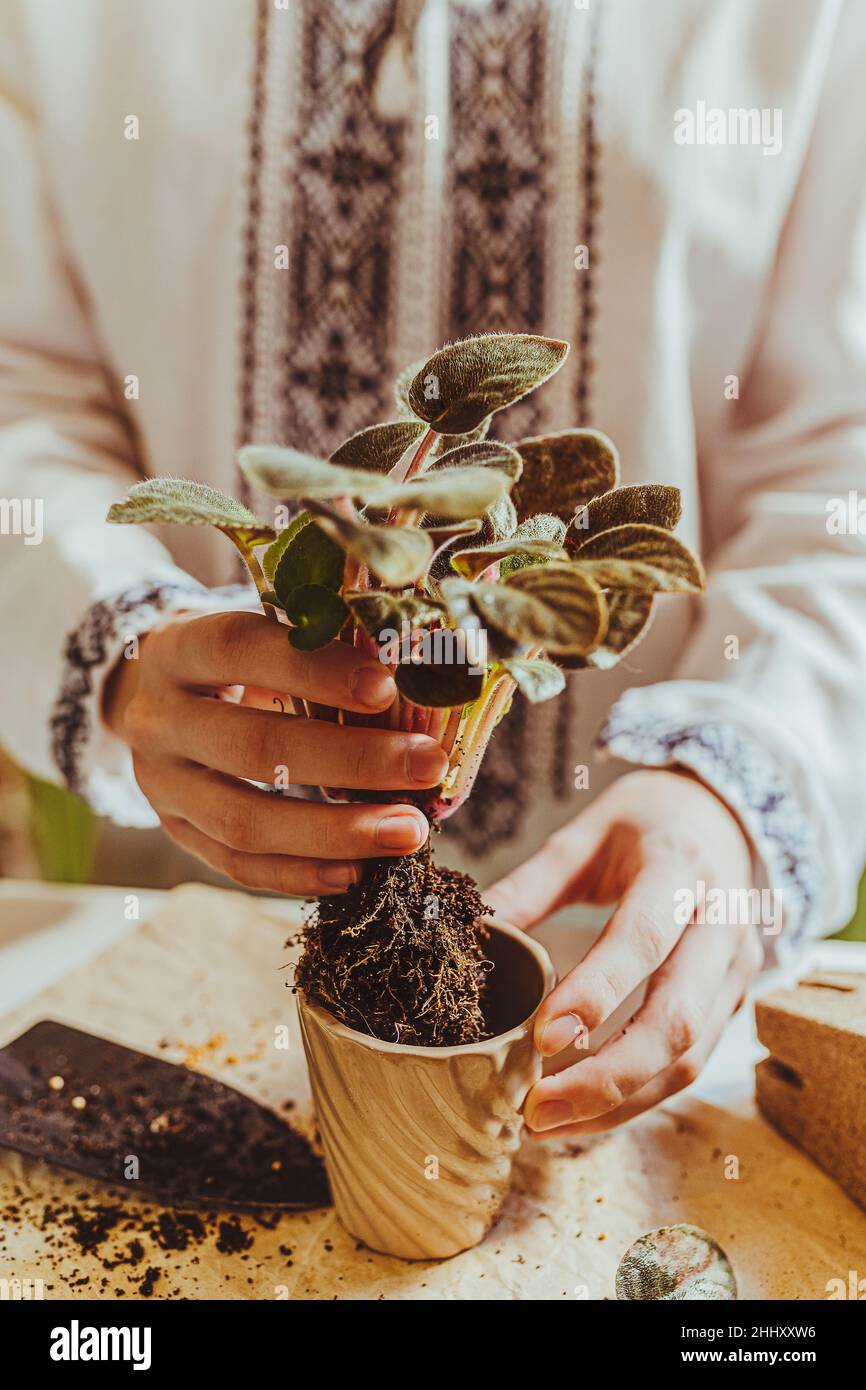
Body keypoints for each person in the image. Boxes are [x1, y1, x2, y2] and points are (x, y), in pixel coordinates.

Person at [2, 0, 865, 1140]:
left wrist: (735, 787)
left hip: (638, 968)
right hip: (173, 951)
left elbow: (835, 456)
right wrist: (117, 640)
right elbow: (23, 382)